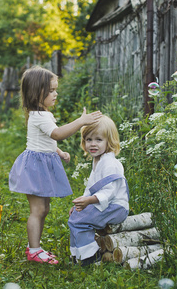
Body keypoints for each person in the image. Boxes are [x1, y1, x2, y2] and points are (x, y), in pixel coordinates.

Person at [9, 66, 102, 265]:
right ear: (37, 93)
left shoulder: (44, 114)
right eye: (51, 90)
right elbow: (57, 134)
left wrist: (59, 152)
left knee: (44, 209)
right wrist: (81, 121)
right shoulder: (40, 115)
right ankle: (33, 250)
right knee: (38, 210)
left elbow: (45, 141)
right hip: (34, 168)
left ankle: (35, 247)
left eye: (55, 89)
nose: (55, 93)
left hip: (40, 166)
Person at [68, 115, 129, 266]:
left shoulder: (109, 163)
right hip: (104, 203)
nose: (92, 144)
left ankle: (91, 257)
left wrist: (89, 201)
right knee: (75, 216)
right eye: (89, 139)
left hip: (116, 206)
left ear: (109, 141)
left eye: (98, 140)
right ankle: (78, 254)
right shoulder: (97, 160)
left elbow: (110, 192)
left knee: (80, 221)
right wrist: (81, 203)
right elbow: (91, 188)